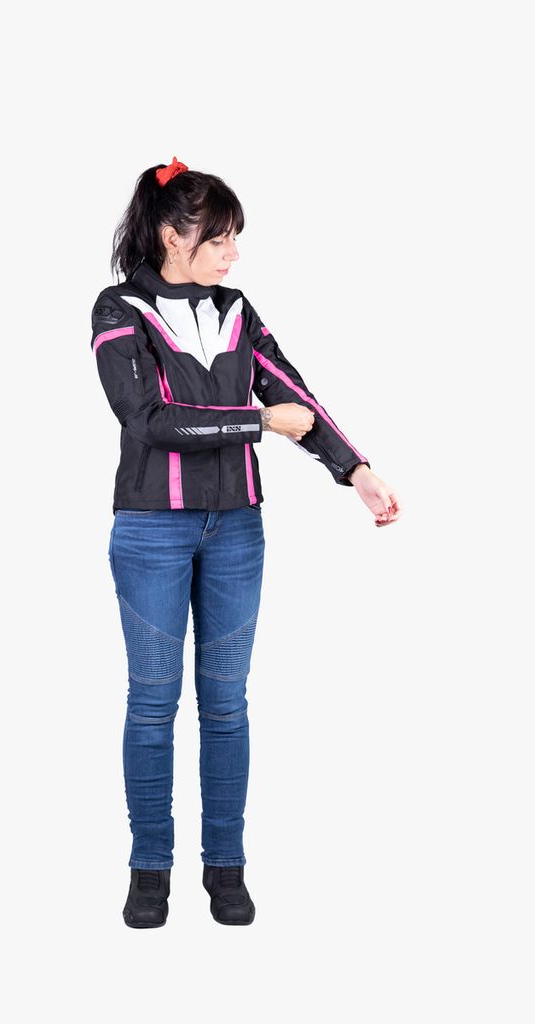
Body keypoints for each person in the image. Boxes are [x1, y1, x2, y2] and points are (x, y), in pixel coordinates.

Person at [90, 155, 401, 929]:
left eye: (234, 239)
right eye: (221, 238)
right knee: (152, 702)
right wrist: (255, 422)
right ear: (173, 235)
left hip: (236, 528)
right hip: (151, 529)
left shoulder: (235, 308)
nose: (233, 254)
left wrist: (354, 468)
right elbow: (147, 421)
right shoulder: (118, 308)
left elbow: (291, 391)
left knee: (226, 703)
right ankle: (149, 870)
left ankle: (224, 867)